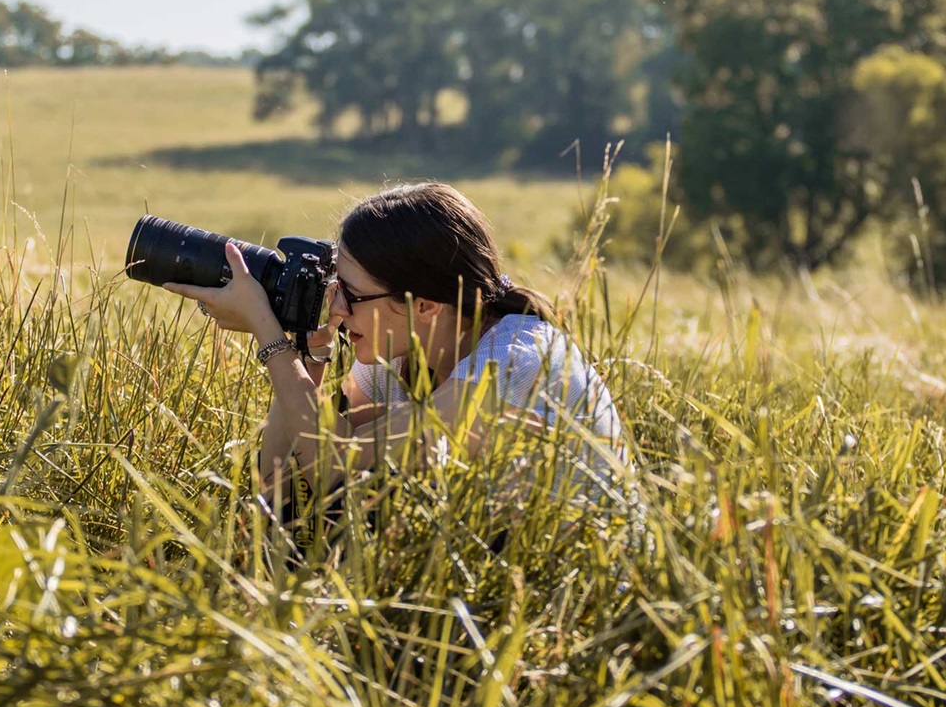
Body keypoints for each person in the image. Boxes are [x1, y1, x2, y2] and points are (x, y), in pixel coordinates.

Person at [163, 182, 631, 516]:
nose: (338, 307)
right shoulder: (403, 355)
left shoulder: (513, 364)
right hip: (502, 576)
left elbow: (332, 467)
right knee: (289, 519)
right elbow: (282, 478)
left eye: (351, 293)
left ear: (423, 304)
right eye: (333, 288)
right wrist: (313, 345)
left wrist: (269, 337)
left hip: (593, 592)